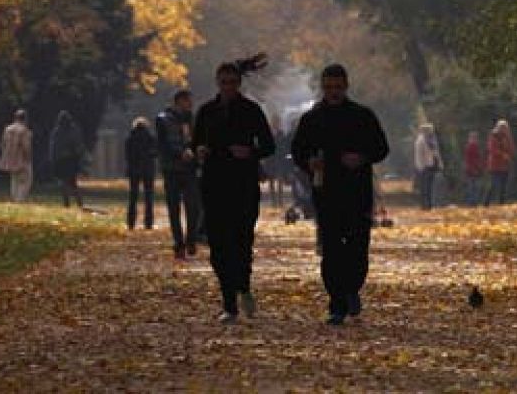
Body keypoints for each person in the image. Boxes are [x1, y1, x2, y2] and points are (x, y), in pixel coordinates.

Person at [290, 64, 389, 325]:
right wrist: (309, 163)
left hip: (357, 192)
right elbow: (298, 151)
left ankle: (352, 288)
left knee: (358, 247)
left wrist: (362, 157)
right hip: (327, 192)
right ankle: (336, 303)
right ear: (323, 87)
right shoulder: (312, 119)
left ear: (346, 86)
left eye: (338, 87)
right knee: (331, 249)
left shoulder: (362, 116)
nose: (333, 92)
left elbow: (381, 148)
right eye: (329, 87)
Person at [193, 58, 275, 323]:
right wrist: (198, 151)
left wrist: (250, 151)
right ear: (218, 83)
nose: (227, 87)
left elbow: (269, 145)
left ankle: (243, 286)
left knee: (241, 241)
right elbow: (194, 143)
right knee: (218, 245)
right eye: (223, 82)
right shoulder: (206, 111)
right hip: (214, 184)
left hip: (243, 184)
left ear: (239, 84)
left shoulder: (251, 110)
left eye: (232, 82)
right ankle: (229, 302)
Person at [157, 90, 202, 259]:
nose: (190, 105)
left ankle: (190, 239)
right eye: (188, 102)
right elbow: (166, 142)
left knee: (193, 206)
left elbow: (198, 139)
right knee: (174, 208)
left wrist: (196, 153)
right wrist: (180, 153)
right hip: (172, 169)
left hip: (189, 168)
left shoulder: (192, 120)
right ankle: (178, 243)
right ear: (179, 102)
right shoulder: (164, 119)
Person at [48, 110, 87, 209]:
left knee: (63, 182)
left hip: (61, 160)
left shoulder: (57, 131)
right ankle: (79, 203)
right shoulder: (74, 130)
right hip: (71, 160)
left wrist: (52, 159)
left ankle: (67, 202)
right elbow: (78, 145)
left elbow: (53, 146)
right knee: (73, 183)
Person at [126, 116, 156, 230]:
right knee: (148, 197)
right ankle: (148, 222)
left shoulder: (130, 138)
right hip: (148, 169)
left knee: (133, 196)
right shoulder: (150, 138)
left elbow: (127, 155)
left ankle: (131, 222)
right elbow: (155, 152)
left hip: (134, 170)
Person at [0, 109, 34, 203]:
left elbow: (2, 144)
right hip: (21, 159)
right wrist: (28, 157)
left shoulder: (8, 129)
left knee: (14, 180)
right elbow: (26, 146)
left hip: (9, 159)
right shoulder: (24, 130)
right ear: (25, 118)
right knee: (26, 181)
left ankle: (14, 198)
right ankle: (20, 200)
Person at [484, 119, 514, 207]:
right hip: (495, 165)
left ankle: (502, 202)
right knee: (493, 185)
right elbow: (492, 149)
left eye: (506, 128)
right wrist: (502, 155)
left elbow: (512, 149)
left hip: (505, 165)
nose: (504, 129)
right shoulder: (493, 136)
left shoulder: (507, 137)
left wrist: (509, 138)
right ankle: (486, 202)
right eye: (503, 127)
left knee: (503, 185)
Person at [413, 123, 443, 210]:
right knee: (424, 187)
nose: (431, 131)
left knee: (429, 186)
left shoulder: (432, 140)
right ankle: (424, 205)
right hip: (424, 166)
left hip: (432, 165)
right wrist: (420, 166)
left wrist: (440, 163)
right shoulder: (420, 141)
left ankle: (429, 204)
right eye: (429, 130)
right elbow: (418, 155)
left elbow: (436, 153)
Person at [462, 130, 485, 206]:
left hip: (473, 169)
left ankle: (472, 202)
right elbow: (471, 160)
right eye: (474, 138)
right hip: (472, 170)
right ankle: (472, 202)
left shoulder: (472, 146)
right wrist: (475, 168)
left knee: (473, 187)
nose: (476, 139)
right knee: (473, 187)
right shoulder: (471, 147)